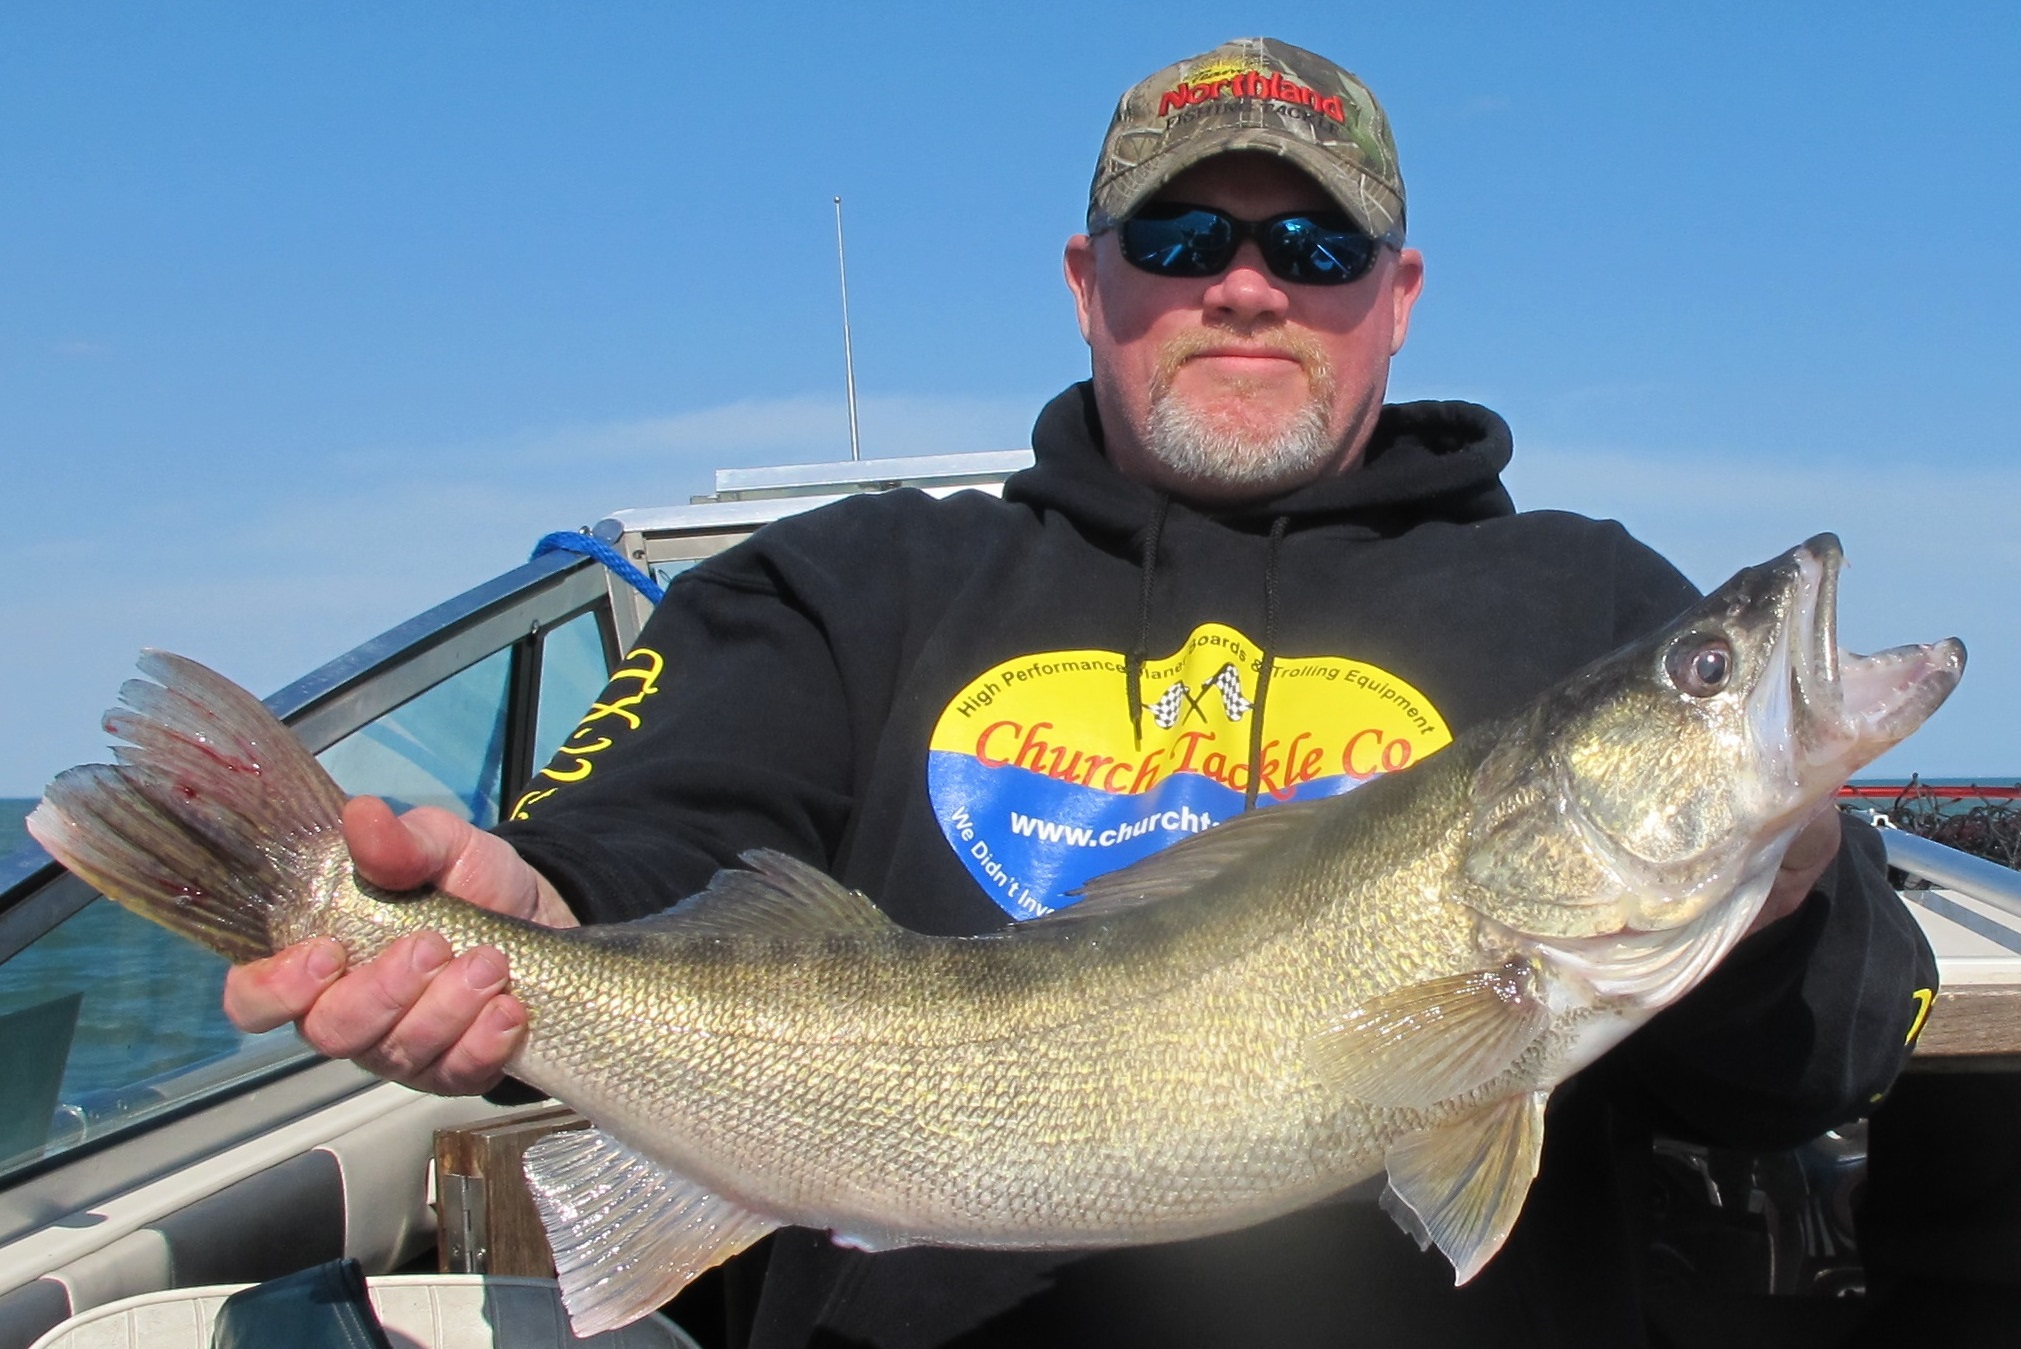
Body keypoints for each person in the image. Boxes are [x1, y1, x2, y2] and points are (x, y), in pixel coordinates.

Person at [222, 37, 1933, 1348]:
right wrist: (531, 909)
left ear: (1397, 301)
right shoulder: (854, 582)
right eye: (1181, 233)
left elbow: (1829, 1059)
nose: (1246, 282)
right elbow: (646, 847)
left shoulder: (1584, 598)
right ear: (1085, 281)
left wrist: (1777, 873)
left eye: (1316, 248)